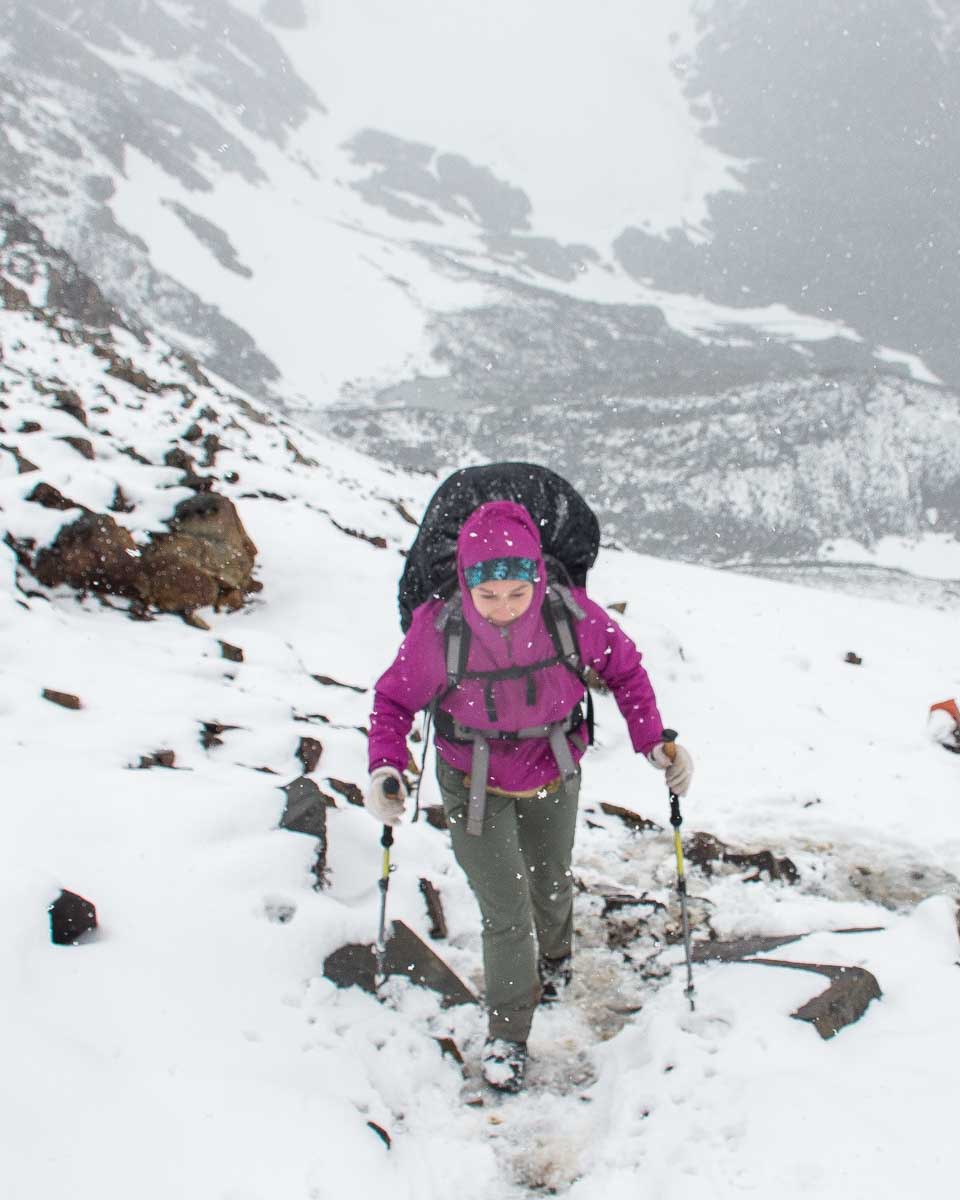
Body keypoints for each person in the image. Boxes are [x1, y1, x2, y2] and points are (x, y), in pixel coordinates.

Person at [365, 500, 693, 1092]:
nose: (504, 609)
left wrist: (655, 742)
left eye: (517, 593)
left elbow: (625, 670)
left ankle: (557, 962)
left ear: (538, 578)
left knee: (551, 878)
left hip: (554, 767)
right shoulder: (440, 630)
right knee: (508, 911)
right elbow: (393, 701)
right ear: (465, 585)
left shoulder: (571, 616)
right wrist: (385, 768)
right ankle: (508, 1035)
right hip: (473, 781)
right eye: (487, 597)